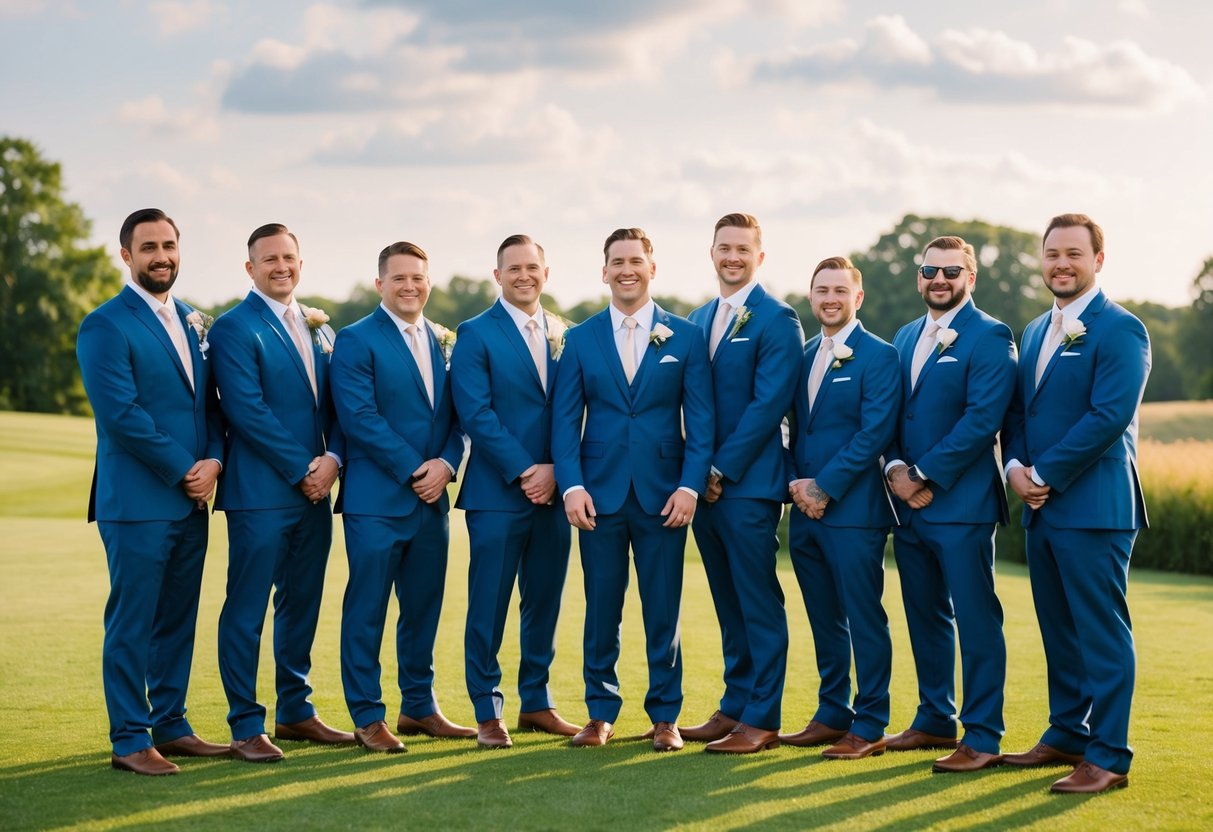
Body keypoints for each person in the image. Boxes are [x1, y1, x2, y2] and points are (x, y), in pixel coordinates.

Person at [1001, 213, 1150, 793]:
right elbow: (1019, 413)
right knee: (1058, 629)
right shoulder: (1037, 330)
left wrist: (1045, 472)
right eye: (1052, 254)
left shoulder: (1121, 329)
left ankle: (1108, 755)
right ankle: (1067, 731)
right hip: (1040, 505)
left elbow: (1108, 417)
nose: (1061, 264)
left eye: (1074, 254)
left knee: (1101, 633)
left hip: (1094, 506)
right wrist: (1014, 467)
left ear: (1098, 261)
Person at [77, 208, 227, 775]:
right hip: (139, 501)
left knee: (176, 619)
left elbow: (210, 406)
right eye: (148, 247)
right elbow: (121, 414)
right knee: (133, 620)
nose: (161, 256)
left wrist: (212, 460)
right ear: (126, 255)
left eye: (169, 245)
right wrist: (185, 468)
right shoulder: (104, 325)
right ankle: (129, 739)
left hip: (192, 499)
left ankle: (172, 723)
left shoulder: (193, 320)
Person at [551, 227, 714, 752]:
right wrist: (571, 485)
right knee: (601, 608)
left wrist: (690, 487)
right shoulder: (579, 338)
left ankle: (665, 717)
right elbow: (565, 420)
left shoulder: (685, 337)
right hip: (597, 496)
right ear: (604, 271)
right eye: (617, 261)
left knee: (662, 609)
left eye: (636, 260)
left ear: (652, 268)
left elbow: (702, 421)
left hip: (664, 495)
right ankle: (600, 714)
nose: (627, 269)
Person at [208, 223, 352, 763]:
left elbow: (340, 407)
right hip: (261, 494)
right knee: (246, 609)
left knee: (302, 604)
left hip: (316, 493)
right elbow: (246, 410)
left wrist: (333, 461)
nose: (281, 266)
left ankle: (295, 711)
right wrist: (303, 468)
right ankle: (246, 725)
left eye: (288, 257)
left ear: (300, 262)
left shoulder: (321, 328)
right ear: (250, 268)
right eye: (269, 259)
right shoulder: (233, 328)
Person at [329, 241, 471, 753]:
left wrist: (448, 464)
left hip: (431, 504)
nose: (410, 286)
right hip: (376, 501)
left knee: (423, 609)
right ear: (380, 284)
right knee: (367, 609)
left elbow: (459, 418)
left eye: (419, 277)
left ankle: (418, 706)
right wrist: (417, 469)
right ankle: (367, 715)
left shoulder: (441, 340)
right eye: (400, 278)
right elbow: (359, 418)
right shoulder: (355, 339)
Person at [883, 236, 1017, 773]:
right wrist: (894, 469)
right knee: (924, 615)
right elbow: (888, 411)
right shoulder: (905, 335)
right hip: (907, 506)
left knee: (975, 618)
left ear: (970, 278)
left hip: (961, 505)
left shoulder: (991, 336)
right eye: (930, 270)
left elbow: (983, 421)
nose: (940, 279)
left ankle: (982, 735)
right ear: (919, 277)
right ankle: (934, 718)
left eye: (951, 271)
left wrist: (922, 474)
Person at [449, 235, 577, 748]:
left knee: (544, 602)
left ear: (547, 273)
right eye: (514, 268)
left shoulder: (564, 331)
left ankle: (538, 703)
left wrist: (558, 474)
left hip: (555, 494)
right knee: (490, 603)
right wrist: (528, 471)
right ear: (497, 275)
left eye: (533, 267)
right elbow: (475, 413)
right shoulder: (475, 333)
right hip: (499, 493)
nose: (524, 276)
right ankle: (487, 710)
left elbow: (570, 412)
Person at [683, 213, 803, 754]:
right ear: (711, 253)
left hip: (748, 485)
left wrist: (718, 469)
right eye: (723, 247)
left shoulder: (778, 319)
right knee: (727, 602)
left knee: (757, 602)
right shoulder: (697, 318)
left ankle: (762, 718)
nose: (732, 256)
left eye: (742, 248)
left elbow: (767, 406)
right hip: (702, 488)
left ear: (760, 256)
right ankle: (734, 705)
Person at [784, 256, 900, 760]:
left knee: (863, 616)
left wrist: (824, 487)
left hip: (853, 511)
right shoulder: (805, 354)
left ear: (858, 298)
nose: (829, 298)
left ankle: (870, 722)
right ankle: (833, 712)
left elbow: (874, 431)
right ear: (811, 298)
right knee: (824, 617)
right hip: (805, 515)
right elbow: (788, 428)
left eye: (839, 290)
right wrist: (796, 485)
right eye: (821, 290)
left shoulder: (879, 356)